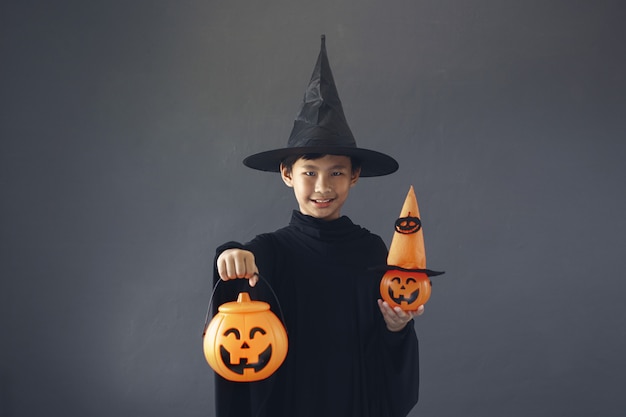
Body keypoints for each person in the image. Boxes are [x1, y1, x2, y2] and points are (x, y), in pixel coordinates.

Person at [210, 36, 421, 417]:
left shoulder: (372, 252)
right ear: (287, 174)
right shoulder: (269, 251)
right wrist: (231, 253)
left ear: (354, 176)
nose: (323, 187)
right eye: (310, 172)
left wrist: (396, 327)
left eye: (336, 172)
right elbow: (237, 296)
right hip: (289, 404)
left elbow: (387, 351)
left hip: (355, 403)